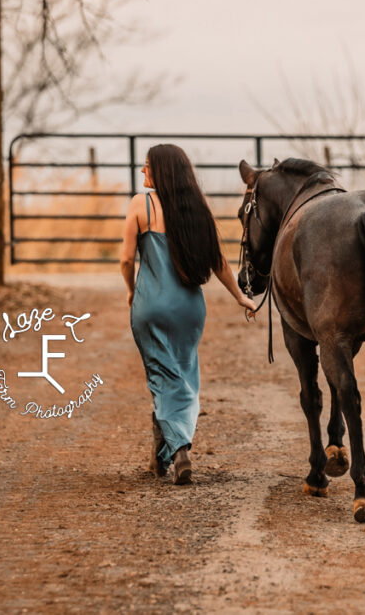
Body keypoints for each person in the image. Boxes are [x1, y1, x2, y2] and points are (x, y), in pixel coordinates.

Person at [120, 144, 256, 485]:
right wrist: (240, 297)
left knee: (160, 375)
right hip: (190, 309)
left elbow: (125, 260)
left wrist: (131, 290)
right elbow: (220, 262)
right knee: (180, 375)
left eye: (147, 166)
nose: (142, 172)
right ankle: (161, 456)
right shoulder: (197, 208)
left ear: (162, 171)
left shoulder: (141, 203)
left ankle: (180, 449)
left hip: (151, 306)